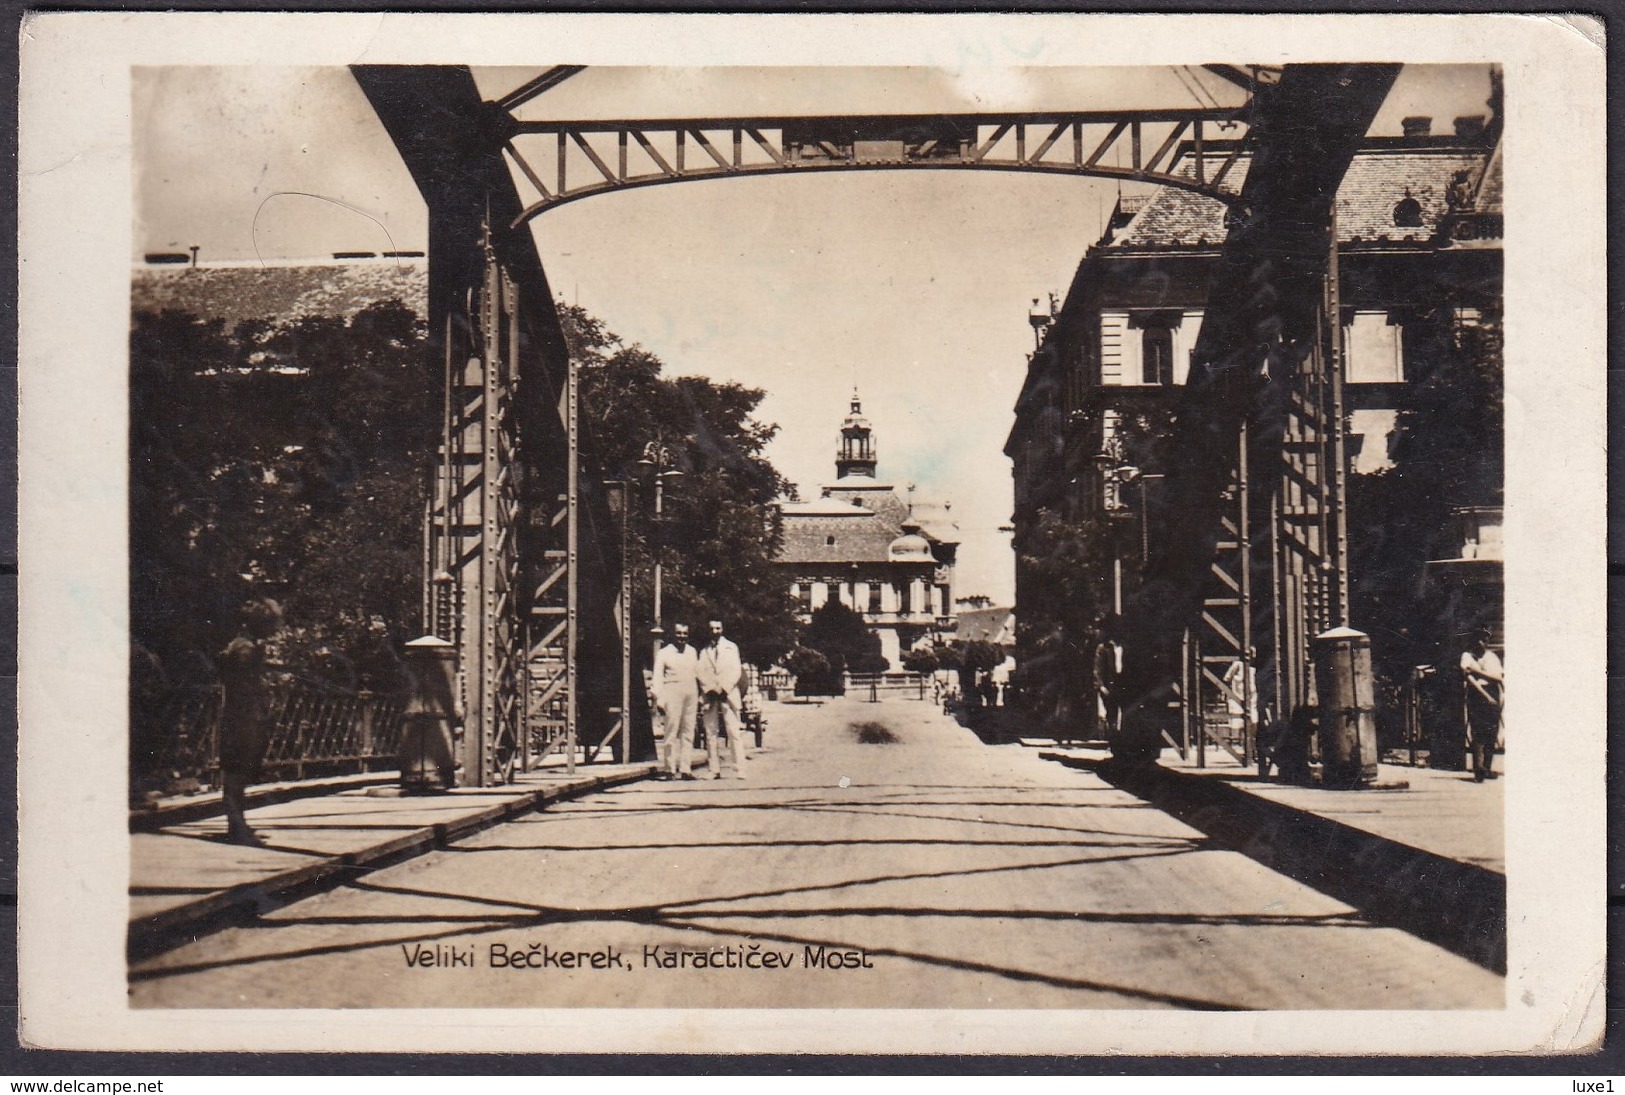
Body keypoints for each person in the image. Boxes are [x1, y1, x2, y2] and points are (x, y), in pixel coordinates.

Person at [216, 598, 283, 846]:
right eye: (271, 625)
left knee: (241, 772)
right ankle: (236, 827)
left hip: (244, 715)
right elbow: (244, 687)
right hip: (241, 717)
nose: (274, 630)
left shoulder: (247, 645)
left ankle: (239, 823)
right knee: (236, 773)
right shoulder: (244, 649)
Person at [697, 619, 748, 779]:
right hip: (711, 696)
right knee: (711, 732)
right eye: (712, 628)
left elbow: (736, 670)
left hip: (728, 694)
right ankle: (714, 769)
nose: (715, 631)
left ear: (722, 629)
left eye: (718, 628)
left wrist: (724, 687)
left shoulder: (731, 648)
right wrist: (710, 688)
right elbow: (700, 672)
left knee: (734, 732)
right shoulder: (704, 652)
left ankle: (740, 768)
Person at [654, 623, 700, 780]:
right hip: (672, 692)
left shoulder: (692, 652)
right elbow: (658, 677)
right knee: (671, 731)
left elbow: (697, 674)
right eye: (679, 633)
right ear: (673, 635)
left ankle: (686, 769)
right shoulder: (664, 653)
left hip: (690, 692)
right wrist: (659, 699)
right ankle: (669, 769)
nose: (682, 637)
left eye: (685, 633)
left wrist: (700, 696)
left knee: (688, 731)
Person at [1461, 629, 1504, 782]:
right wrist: (1486, 695)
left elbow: (1498, 677)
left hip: (1493, 691)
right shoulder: (1466, 656)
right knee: (1477, 732)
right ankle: (1478, 769)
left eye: (1485, 640)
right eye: (1479, 639)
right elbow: (1468, 678)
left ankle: (1487, 767)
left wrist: (1476, 671)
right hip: (1477, 694)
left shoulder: (1492, 657)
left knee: (1491, 732)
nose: (1482, 643)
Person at [1093, 615, 1124, 740]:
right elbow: (1097, 668)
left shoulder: (1124, 647)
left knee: (1123, 716)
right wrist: (1100, 686)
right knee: (1111, 716)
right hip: (1109, 687)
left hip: (1123, 685)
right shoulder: (1103, 648)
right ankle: (1114, 743)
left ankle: (1122, 742)